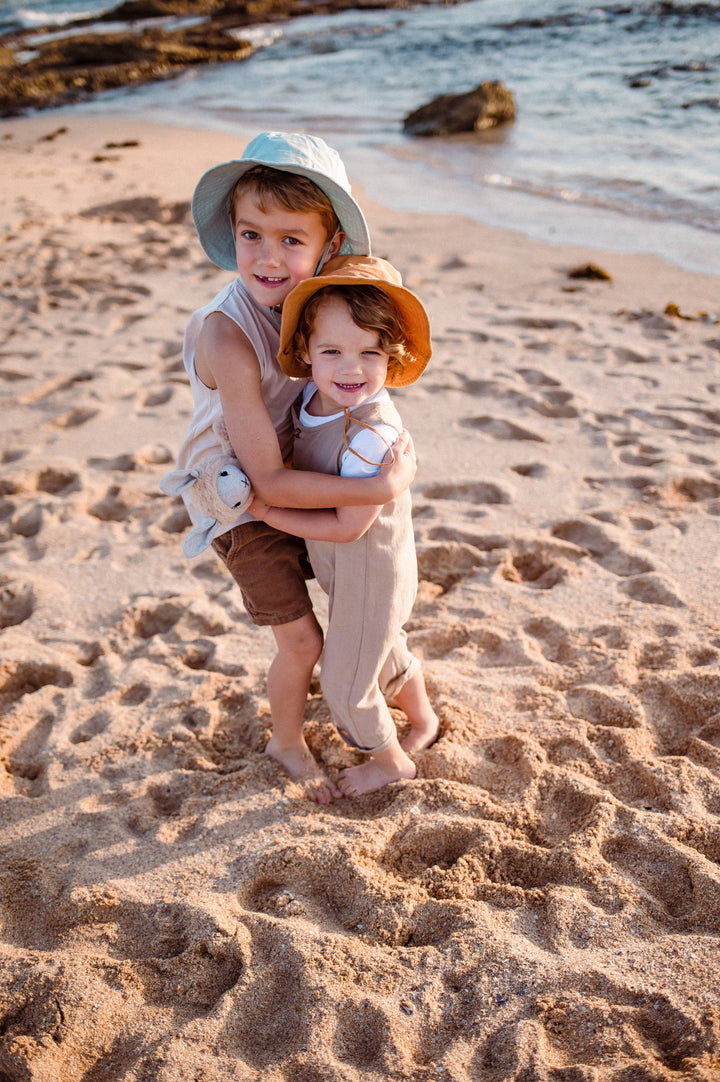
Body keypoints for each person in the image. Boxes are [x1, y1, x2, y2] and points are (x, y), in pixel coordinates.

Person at [170, 132, 417, 804]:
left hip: (297, 469)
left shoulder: (316, 307)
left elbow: (368, 372)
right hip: (238, 496)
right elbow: (269, 481)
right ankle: (285, 740)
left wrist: (389, 450)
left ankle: (410, 705)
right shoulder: (227, 333)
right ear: (231, 231)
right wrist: (380, 485)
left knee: (360, 593)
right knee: (302, 641)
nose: (267, 257)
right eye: (252, 235)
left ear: (329, 245)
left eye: (289, 239)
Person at [249, 255, 439, 797]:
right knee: (379, 647)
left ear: (392, 354)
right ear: (306, 353)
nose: (350, 369)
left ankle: (389, 762)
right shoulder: (314, 395)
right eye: (332, 351)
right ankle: (423, 721)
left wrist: (269, 512)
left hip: (369, 567)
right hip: (352, 573)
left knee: (345, 678)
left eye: (369, 353)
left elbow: (351, 526)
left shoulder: (371, 437)